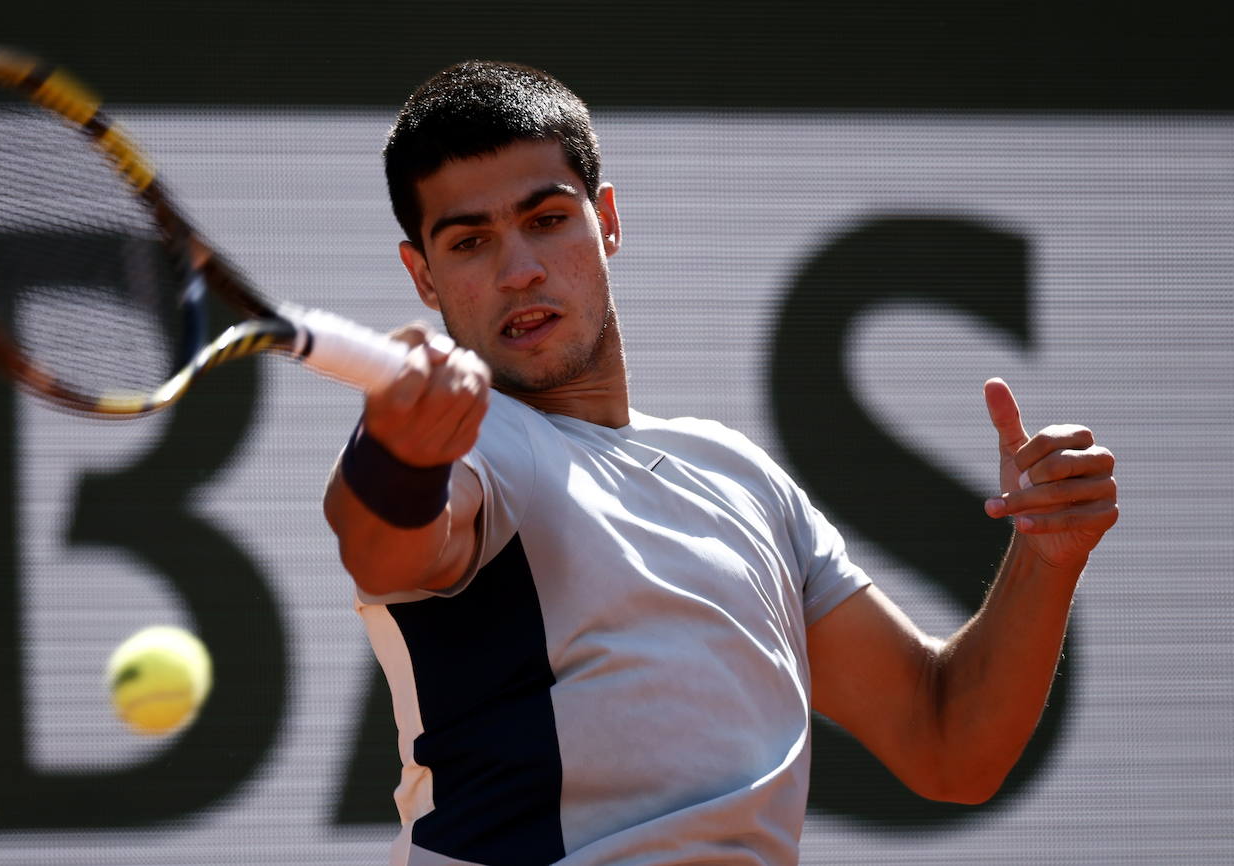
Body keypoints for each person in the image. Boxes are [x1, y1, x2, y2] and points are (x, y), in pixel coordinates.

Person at [323, 61, 1119, 866]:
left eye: (548, 220)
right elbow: (384, 544)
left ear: (608, 221)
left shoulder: (741, 477)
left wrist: (1045, 558)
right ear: (422, 275)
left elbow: (948, 744)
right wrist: (401, 452)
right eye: (470, 242)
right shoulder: (474, 447)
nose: (518, 269)